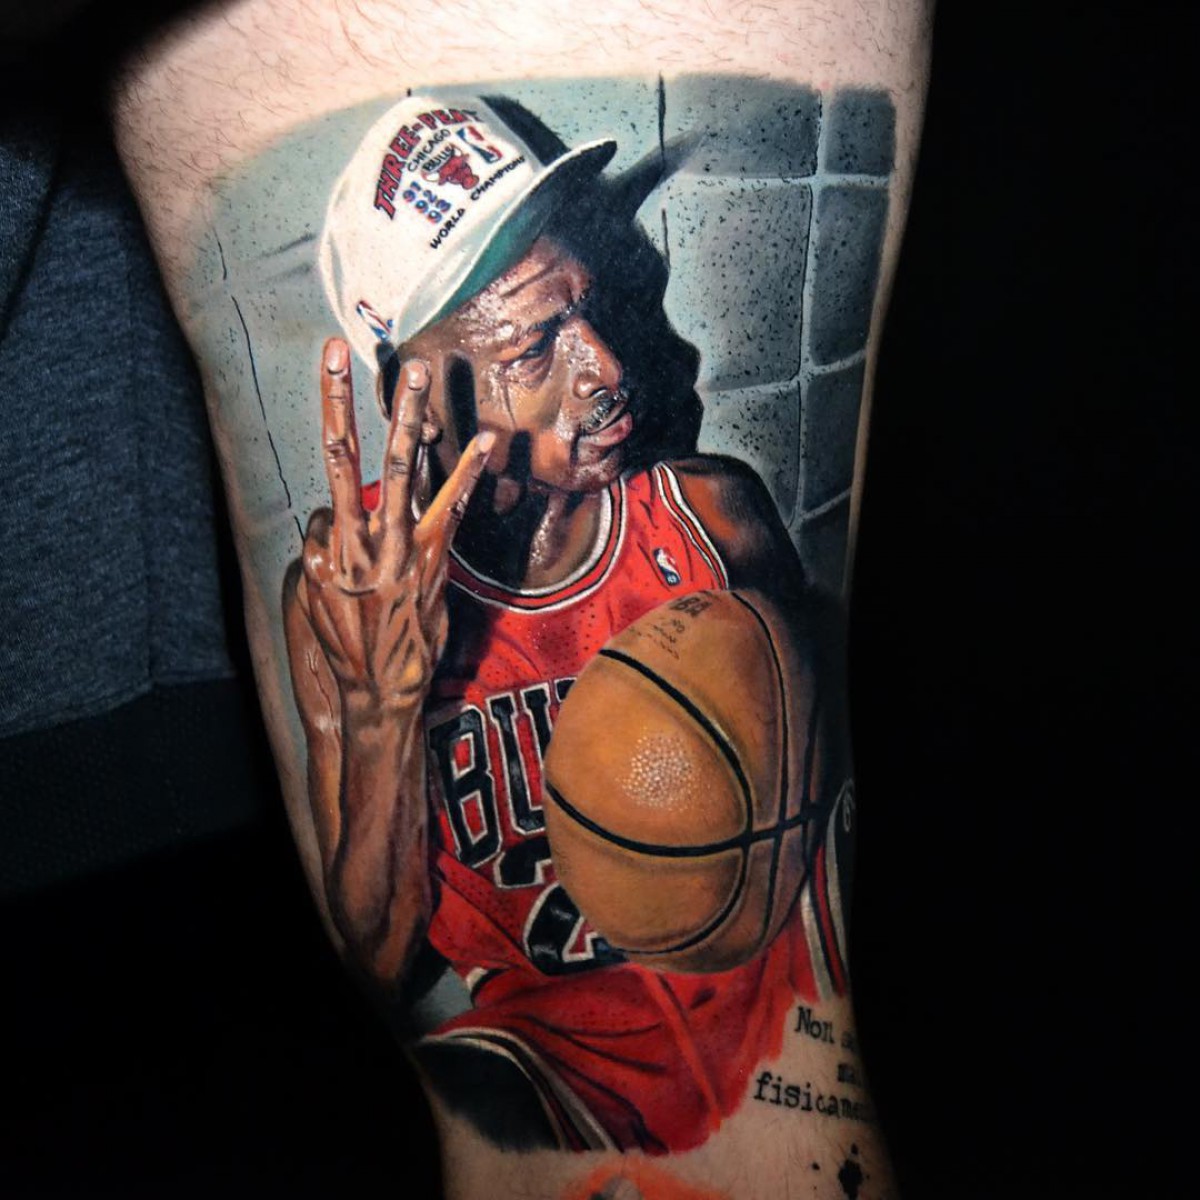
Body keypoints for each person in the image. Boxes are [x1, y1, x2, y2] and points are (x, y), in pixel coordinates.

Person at [285, 96, 846, 1153]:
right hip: (550, 1067)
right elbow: (381, 963)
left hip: (784, 1004)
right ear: (420, 401)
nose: (606, 367)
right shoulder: (348, 599)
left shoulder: (709, 515)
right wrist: (385, 709)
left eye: (587, 311)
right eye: (538, 347)